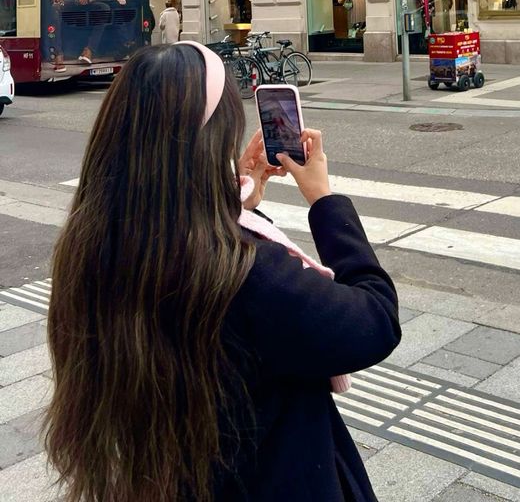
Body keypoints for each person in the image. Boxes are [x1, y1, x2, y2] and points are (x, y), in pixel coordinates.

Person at [43, 43, 401, 500]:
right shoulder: (245, 273)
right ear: (209, 147)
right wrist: (326, 202)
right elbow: (374, 320)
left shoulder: (92, 248)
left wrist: (234, 204)